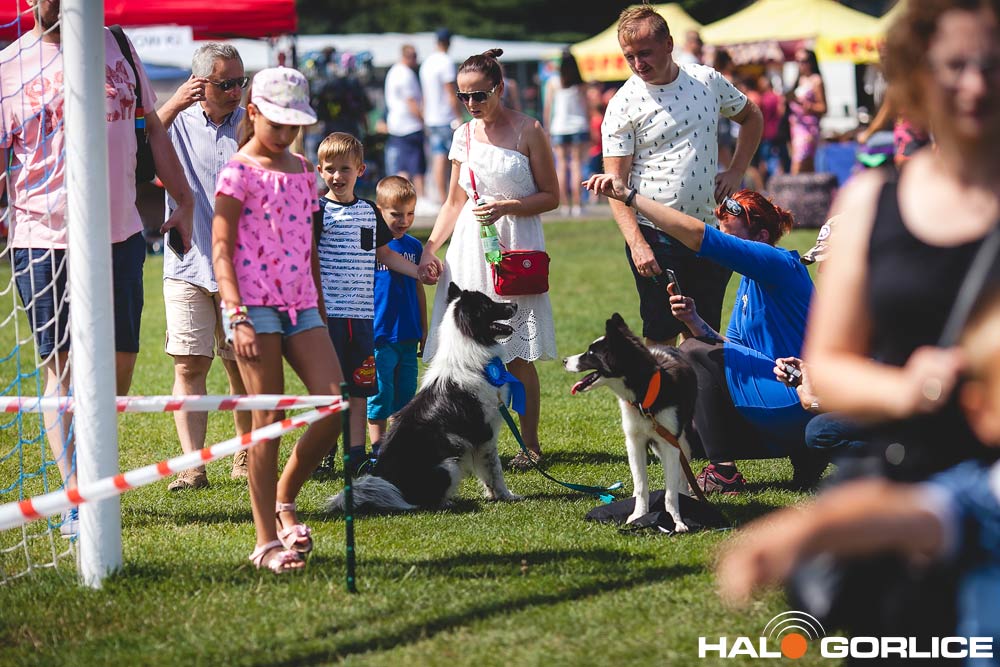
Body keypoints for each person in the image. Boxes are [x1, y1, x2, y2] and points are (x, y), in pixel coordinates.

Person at [0, 0, 193, 532]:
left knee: (120, 363)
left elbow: (153, 129)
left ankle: (91, 469)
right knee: (60, 367)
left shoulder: (119, 45)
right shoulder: (9, 66)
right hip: (43, 240)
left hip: (121, 233)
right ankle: (77, 493)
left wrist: (183, 198)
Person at [717, 289, 1000, 648]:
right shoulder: (984, 495)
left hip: (897, 416)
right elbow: (914, 515)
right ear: (982, 412)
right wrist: (808, 531)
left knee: (822, 430)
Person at [803, 0, 1000, 484]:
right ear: (918, 75)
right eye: (955, 66)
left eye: (992, 66)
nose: (976, 85)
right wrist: (909, 389)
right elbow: (827, 367)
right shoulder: (870, 203)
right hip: (912, 475)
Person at [583, 176, 816, 492]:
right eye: (722, 233)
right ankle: (805, 452)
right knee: (678, 428)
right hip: (784, 398)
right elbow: (731, 347)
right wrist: (694, 321)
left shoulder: (778, 262)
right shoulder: (750, 280)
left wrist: (630, 197)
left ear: (761, 237)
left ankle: (724, 472)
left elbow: (698, 236)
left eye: (731, 238)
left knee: (691, 350)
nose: (724, 244)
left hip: (798, 396)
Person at [212, 67, 343, 573]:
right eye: (277, 123)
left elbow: (307, 247)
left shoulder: (305, 170)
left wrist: (319, 307)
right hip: (253, 306)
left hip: (302, 304)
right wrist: (236, 314)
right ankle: (265, 540)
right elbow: (221, 249)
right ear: (252, 112)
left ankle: (284, 498)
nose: (286, 133)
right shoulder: (238, 172)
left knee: (332, 404)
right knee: (265, 423)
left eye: (294, 125)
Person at [418, 49, 559, 470]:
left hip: (516, 247)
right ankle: (467, 439)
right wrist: (431, 247)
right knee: (466, 352)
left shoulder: (529, 129)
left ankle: (530, 444)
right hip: (470, 247)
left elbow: (552, 196)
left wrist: (509, 206)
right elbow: (452, 201)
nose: (471, 103)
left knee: (517, 352)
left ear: (499, 88)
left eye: (479, 95)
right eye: (463, 96)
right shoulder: (462, 135)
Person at [602, 5, 763, 347]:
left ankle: (700, 386)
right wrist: (637, 244)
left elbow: (752, 116)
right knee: (661, 336)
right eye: (629, 56)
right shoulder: (622, 103)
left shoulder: (706, 80)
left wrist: (736, 170)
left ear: (669, 44)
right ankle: (662, 387)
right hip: (655, 234)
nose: (638, 63)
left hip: (709, 232)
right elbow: (615, 185)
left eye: (645, 53)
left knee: (703, 336)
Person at [155, 43, 253, 490]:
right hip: (187, 262)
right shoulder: (175, 121)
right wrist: (175, 103)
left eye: (240, 81)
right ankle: (193, 466)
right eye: (226, 83)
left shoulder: (252, 122)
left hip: (242, 267)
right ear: (199, 85)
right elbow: (136, 141)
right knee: (189, 366)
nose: (236, 91)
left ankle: (245, 454)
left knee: (241, 367)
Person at [314, 132, 421, 472]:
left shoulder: (370, 213)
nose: (337, 176)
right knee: (329, 389)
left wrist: (419, 272)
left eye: (345, 168)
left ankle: (356, 456)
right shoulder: (316, 211)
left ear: (360, 170)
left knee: (360, 388)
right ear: (319, 170)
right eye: (330, 168)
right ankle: (322, 451)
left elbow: (385, 254)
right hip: (328, 317)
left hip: (362, 319)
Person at [367, 175, 427, 448]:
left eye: (410, 213)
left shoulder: (414, 246)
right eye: (396, 214)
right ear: (379, 210)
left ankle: (398, 446)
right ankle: (377, 449)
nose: (404, 220)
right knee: (380, 394)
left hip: (407, 334)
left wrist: (424, 329)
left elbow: (419, 290)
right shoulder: (372, 246)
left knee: (405, 395)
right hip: (379, 335)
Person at [419, 28, 463, 206]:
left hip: (431, 117)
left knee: (438, 156)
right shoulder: (446, 62)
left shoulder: (427, 63)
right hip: (446, 117)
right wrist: (459, 116)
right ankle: (452, 198)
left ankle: (443, 198)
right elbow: (451, 92)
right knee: (454, 159)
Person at [544, 49, 590, 217]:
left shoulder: (553, 82)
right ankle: (578, 205)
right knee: (577, 165)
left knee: (561, 166)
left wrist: (547, 128)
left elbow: (548, 108)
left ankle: (564, 205)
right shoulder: (580, 84)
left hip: (559, 127)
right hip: (579, 126)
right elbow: (586, 108)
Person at [384, 44, 425, 195]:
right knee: (417, 167)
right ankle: (420, 196)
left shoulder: (393, 71)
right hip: (410, 125)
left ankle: (402, 197)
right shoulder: (406, 74)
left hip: (396, 125)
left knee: (402, 166)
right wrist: (422, 120)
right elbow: (411, 102)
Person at [786, 48, 826, 175]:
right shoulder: (799, 80)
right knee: (807, 166)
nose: (800, 64)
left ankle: (791, 188)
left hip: (809, 128)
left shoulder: (816, 80)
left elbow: (823, 107)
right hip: (796, 126)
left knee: (798, 165)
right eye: (797, 61)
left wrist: (808, 106)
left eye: (803, 61)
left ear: (811, 62)